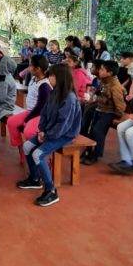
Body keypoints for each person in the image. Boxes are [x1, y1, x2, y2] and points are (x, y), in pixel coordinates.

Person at [15, 64, 82, 207]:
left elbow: (63, 124)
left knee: (37, 154)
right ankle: (34, 179)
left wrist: (47, 135)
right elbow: (44, 114)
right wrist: (41, 130)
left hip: (65, 134)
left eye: (51, 76)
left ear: (60, 78)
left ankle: (51, 190)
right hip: (49, 131)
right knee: (27, 146)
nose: (48, 78)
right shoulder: (54, 92)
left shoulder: (69, 98)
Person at [7, 55, 51, 165]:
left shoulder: (44, 85)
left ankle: (42, 154)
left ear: (38, 69)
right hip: (31, 111)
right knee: (11, 122)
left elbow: (41, 107)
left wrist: (28, 119)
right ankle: (22, 152)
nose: (29, 68)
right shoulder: (33, 79)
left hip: (41, 114)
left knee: (28, 132)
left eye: (31, 66)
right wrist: (28, 116)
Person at [82, 61, 125, 166]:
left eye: (102, 69)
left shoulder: (115, 87)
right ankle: (89, 151)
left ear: (109, 73)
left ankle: (96, 154)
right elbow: (102, 95)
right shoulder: (104, 82)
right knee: (91, 131)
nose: (99, 71)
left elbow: (120, 106)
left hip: (109, 112)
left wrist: (117, 117)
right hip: (100, 109)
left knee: (98, 132)